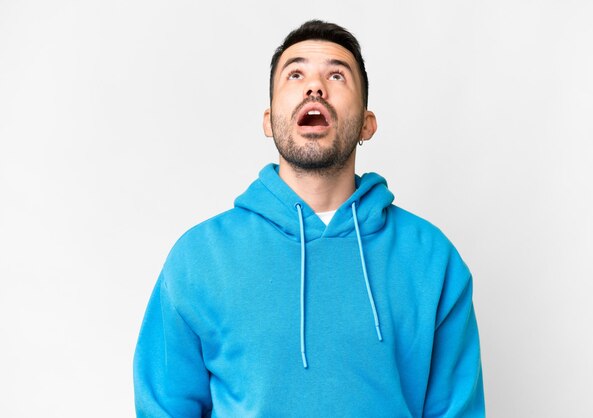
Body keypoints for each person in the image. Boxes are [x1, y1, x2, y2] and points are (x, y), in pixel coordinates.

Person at [133, 20, 485, 417]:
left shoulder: (432, 259)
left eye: (337, 75)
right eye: (295, 74)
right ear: (268, 120)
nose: (314, 87)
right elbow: (163, 408)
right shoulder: (200, 258)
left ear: (367, 124)